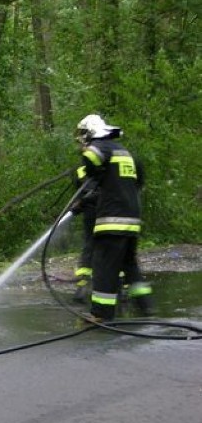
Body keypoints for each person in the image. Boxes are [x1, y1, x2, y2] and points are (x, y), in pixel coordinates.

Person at [75, 113, 153, 321]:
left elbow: (91, 157)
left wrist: (88, 156)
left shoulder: (102, 147)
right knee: (129, 265)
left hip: (112, 219)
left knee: (104, 266)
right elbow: (134, 183)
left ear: (91, 133)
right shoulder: (125, 153)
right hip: (132, 218)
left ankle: (101, 314)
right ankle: (146, 308)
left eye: (84, 136)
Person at [70, 164, 98, 303]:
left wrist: (80, 203)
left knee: (90, 246)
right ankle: (122, 286)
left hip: (94, 212)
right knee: (111, 246)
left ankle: (82, 287)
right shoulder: (111, 166)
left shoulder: (81, 170)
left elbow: (82, 196)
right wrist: (78, 205)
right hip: (107, 210)